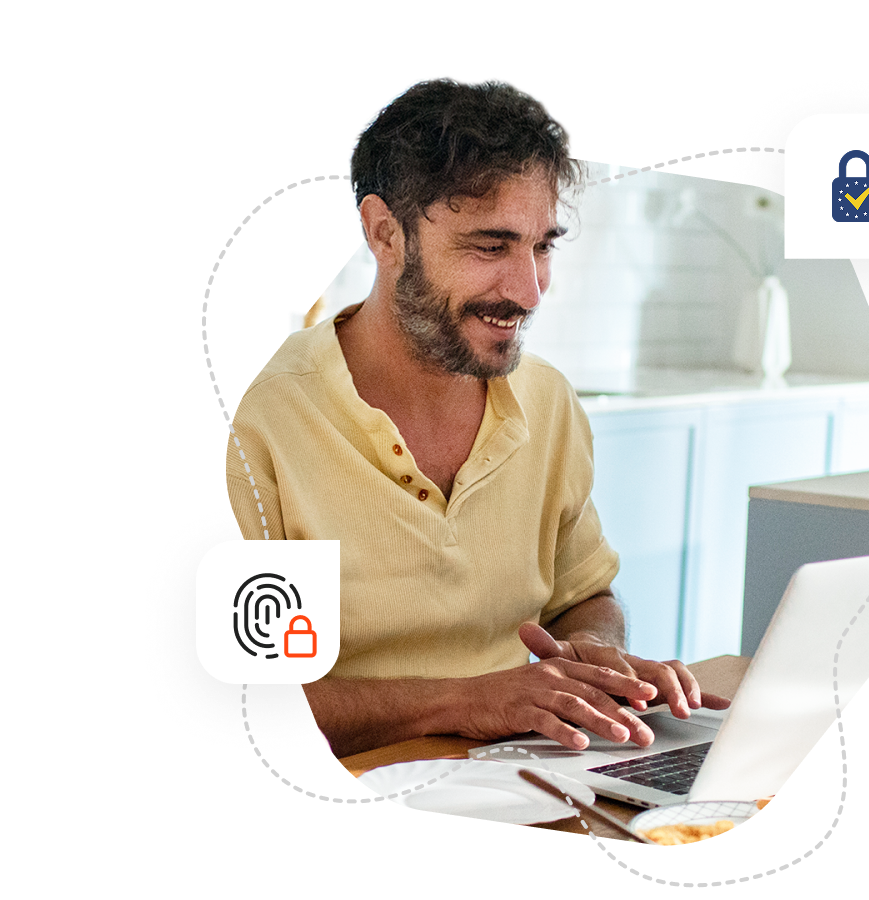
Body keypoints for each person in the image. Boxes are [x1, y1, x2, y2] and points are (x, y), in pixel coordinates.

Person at [225, 75, 729, 759]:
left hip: (524, 773)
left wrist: (593, 653)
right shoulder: (265, 422)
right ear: (384, 234)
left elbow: (585, 594)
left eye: (543, 245)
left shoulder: (548, 402)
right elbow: (244, 703)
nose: (528, 291)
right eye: (490, 247)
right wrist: (470, 699)